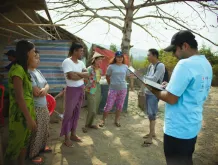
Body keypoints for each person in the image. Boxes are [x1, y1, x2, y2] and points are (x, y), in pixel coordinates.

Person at [145, 30, 213, 165]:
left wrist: (153, 89)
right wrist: (170, 85)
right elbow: (191, 88)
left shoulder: (185, 64)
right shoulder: (205, 64)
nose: (174, 54)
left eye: (175, 50)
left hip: (178, 128)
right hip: (192, 125)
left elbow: (171, 98)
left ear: (185, 46)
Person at [4, 40, 37, 165]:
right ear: (27, 53)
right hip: (20, 116)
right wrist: (29, 119)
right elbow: (19, 97)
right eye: (33, 52)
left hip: (27, 113)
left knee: (24, 143)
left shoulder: (24, 70)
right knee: (15, 145)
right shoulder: (17, 69)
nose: (34, 55)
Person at [60, 43, 89, 147]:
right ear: (75, 51)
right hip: (71, 90)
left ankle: (73, 134)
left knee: (77, 113)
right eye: (80, 51)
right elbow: (71, 76)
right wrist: (82, 75)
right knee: (68, 114)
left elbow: (87, 75)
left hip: (81, 89)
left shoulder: (81, 63)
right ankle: (66, 137)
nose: (82, 53)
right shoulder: (67, 62)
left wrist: (78, 74)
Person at [28, 51, 51, 164]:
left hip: (43, 104)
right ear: (29, 58)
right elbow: (36, 92)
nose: (38, 60)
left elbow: (47, 85)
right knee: (37, 131)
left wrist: (45, 89)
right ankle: (33, 154)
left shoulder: (38, 71)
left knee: (45, 128)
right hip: (36, 106)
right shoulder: (28, 73)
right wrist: (44, 90)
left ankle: (41, 147)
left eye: (39, 58)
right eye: (35, 57)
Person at [99, 51, 129, 127]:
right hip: (113, 89)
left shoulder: (125, 66)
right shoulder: (111, 66)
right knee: (109, 105)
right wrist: (110, 84)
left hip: (123, 89)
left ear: (123, 58)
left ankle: (116, 120)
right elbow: (107, 76)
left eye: (121, 57)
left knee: (120, 105)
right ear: (115, 57)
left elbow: (127, 76)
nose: (120, 58)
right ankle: (103, 120)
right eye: (118, 57)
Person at [142, 49, 165, 147]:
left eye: (149, 55)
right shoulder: (150, 66)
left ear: (155, 55)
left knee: (152, 114)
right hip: (148, 91)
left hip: (154, 93)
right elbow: (147, 78)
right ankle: (153, 132)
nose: (148, 57)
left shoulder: (160, 66)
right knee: (149, 113)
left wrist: (142, 77)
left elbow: (155, 79)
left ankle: (150, 137)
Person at [82, 52, 104, 133]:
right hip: (90, 89)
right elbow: (84, 79)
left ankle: (91, 124)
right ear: (94, 60)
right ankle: (86, 125)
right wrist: (88, 86)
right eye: (98, 60)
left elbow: (98, 80)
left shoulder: (100, 70)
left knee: (96, 107)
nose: (100, 61)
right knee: (92, 109)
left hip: (98, 88)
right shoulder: (89, 69)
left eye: (101, 60)